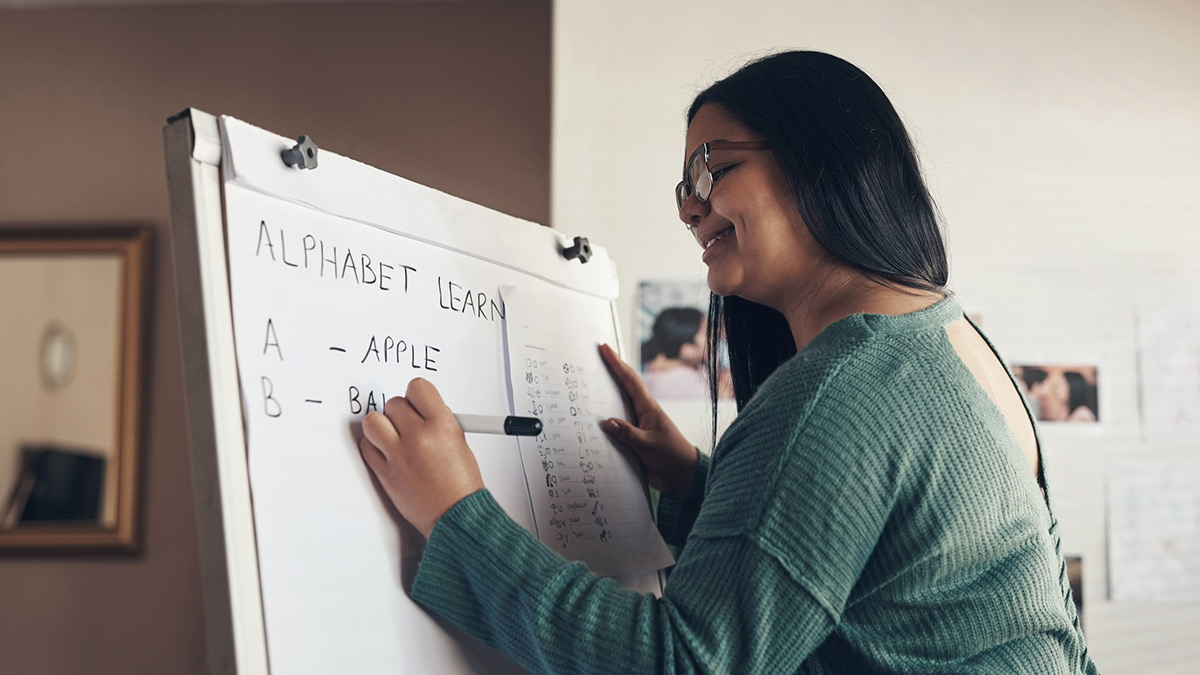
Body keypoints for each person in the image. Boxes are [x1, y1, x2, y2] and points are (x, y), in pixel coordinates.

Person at [359, 50, 1098, 673]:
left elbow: (685, 661)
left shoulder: (840, 389)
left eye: (710, 169)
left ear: (822, 158)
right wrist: (693, 484)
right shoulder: (950, 335)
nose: (688, 207)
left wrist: (457, 514)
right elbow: (912, 572)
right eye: (684, 186)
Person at [641, 306, 709, 399]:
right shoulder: (683, 385)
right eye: (707, 333)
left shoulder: (692, 365)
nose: (715, 336)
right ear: (687, 349)